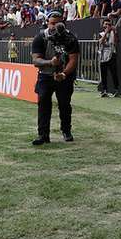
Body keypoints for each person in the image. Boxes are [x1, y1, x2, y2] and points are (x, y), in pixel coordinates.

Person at [30, 12, 80, 144]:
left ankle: (66, 131)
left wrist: (64, 74)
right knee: (43, 105)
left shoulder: (70, 38)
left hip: (64, 77)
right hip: (45, 76)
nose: (55, 26)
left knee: (64, 104)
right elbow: (36, 61)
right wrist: (50, 63)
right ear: (47, 23)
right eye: (52, 23)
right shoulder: (41, 38)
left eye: (58, 23)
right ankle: (43, 135)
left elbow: (73, 59)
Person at [98, 18, 119, 97]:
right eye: (106, 24)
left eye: (109, 24)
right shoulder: (101, 33)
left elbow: (117, 42)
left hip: (112, 54)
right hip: (103, 56)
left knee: (114, 73)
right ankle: (104, 90)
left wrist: (115, 32)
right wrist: (106, 32)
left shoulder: (113, 32)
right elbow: (100, 42)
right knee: (103, 74)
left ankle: (116, 90)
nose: (107, 26)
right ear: (103, 25)